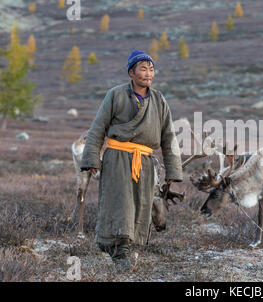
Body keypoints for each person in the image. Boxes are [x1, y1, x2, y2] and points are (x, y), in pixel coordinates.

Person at [80, 50, 183, 271]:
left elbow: (168, 136)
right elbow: (98, 128)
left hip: (144, 161)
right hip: (117, 157)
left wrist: (173, 170)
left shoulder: (159, 100)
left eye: (151, 69)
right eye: (143, 68)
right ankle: (120, 251)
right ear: (131, 72)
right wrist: (91, 158)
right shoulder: (115, 95)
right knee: (120, 203)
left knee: (140, 205)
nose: (148, 73)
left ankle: (124, 245)